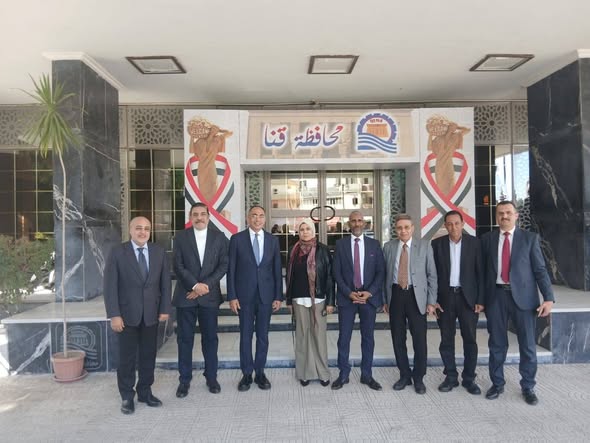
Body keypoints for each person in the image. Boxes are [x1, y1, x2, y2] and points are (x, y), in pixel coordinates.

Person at [481, 201, 554, 405]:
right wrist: (480, 300)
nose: (504, 216)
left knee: (527, 345)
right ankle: (497, 383)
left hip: (524, 299)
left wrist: (548, 298)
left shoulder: (529, 239)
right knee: (497, 344)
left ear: (516, 215)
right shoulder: (487, 239)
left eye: (508, 212)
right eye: (500, 213)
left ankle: (528, 386)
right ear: (496, 216)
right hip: (495, 297)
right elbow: (482, 273)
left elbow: (540, 270)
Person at [103, 216, 171, 415]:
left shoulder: (158, 252)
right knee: (126, 358)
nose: (143, 232)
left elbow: (165, 283)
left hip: (151, 314)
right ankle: (127, 395)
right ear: (131, 230)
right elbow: (109, 286)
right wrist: (114, 314)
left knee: (148, 356)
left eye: (147, 228)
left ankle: (145, 392)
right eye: (139, 228)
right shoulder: (118, 252)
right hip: (126, 315)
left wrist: (165, 308)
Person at [172, 202, 229, 398]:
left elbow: (224, 265)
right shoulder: (180, 237)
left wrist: (204, 286)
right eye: (195, 214)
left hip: (209, 297)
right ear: (190, 217)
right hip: (185, 296)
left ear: (208, 216)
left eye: (202, 214)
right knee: (184, 340)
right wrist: (195, 286)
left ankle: (211, 377)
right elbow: (178, 265)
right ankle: (184, 380)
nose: (199, 218)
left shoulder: (219, 238)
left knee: (210, 340)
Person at [227, 206, 282, 391]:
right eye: (254, 216)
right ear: (248, 218)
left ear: (265, 219)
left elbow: (276, 269)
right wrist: (232, 296)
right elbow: (231, 269)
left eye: (261, 216)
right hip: (244, 296)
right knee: (245, 336)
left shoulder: (273, 240)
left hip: (266, 295)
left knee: (263, 336)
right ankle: (246, 374)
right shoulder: (237, 239)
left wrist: (278, 296)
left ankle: (260, 373)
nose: (257, 219)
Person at [431, 210, 484, 395]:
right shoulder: (437, 244)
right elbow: (432, 275)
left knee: (470, 339)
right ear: (445, 226)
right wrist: (433, 300)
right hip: (445, 299)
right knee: (446, 339)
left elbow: (481, 273)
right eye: (449, 224)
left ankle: (469, 378)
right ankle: (451, 377)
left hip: (468, 299)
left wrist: (480, 300)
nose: (453, 227)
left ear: (463, 224)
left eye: (456, 223)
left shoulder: (475, 244)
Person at [383, 214, 437, 394]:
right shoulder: (388, 247)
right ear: (395, 229)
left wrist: (431, 301)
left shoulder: (425, 246)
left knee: (419, 339)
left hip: (416, 297)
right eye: (399, 228)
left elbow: (432, 275)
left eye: (406, 227)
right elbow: (384, 275)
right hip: (396, 295)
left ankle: (419, 377)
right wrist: (385, 300)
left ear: (413, 228)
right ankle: (404, 375)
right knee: (398, 338)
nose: (403, 231)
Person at [332, 210, 385, 391]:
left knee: (368, 338)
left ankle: (367, 375)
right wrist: (348, 293)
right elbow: (336, 272)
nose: (356, 223)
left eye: (359, 220)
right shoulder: (340, 245)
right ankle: (343, 374)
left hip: (368, 300)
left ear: (364, 223)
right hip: (347, 299)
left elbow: (380, 272)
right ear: (349, 224)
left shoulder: (374, 244)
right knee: (344, 338)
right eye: (353, 221)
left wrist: (370, 292)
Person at [285, 218, 335, 387]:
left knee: (319, 337)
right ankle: (304, 373)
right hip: (298, 299)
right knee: (302, 336)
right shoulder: (293, 250)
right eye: (302, 229)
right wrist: (288, 300)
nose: (305, 232)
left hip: (318, 299)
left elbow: (330, 277)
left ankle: (323, 373)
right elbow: (289, 277)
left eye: (308, 229)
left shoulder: (323, 250)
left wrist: (331, 302)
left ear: (313, 231)